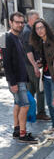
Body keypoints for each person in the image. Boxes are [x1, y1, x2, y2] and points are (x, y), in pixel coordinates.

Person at [3, 12, 38, 143]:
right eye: (17, 22)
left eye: (22, 22)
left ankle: (17, 130)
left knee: (18, 104)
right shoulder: (6, 37)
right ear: (11, 23)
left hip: (20, 78)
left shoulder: (18, 37)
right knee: (25, 105)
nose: (20, 24)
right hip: (16, 80)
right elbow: (6, 63)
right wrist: (12, 82)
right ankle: (23, 135)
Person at [30, 18, 54, 140]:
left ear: (46, 28)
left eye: (41, 27)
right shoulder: (42, 42)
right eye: (37, 28)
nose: (39, 30)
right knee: (49, 103)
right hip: (46, 76)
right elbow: (46, 60)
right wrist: (41, 63)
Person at [20, 9, 50, 121]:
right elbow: (29, 51)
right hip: (31, 66)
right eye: (37, 18)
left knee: (31, 89)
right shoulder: (28, 32)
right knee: (40, 89)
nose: (38, 21)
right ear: (31, 19)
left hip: (29, 65)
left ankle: (29, 111)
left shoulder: (28, 30)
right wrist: (35, 66)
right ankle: (40, 112)